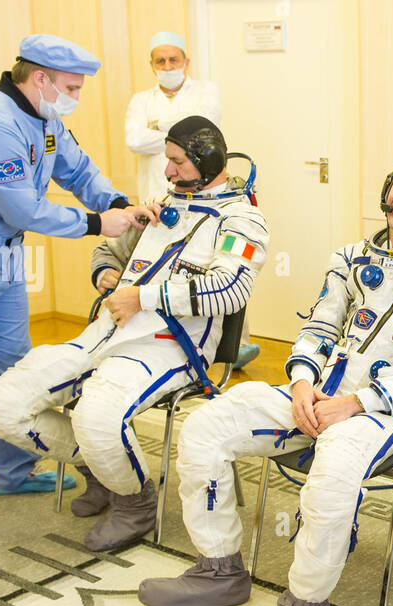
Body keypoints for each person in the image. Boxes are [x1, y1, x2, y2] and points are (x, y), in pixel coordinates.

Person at [137, 159, 393, 606]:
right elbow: (319, 329)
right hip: (321, 393)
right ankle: (219, 570)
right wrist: (301, 384)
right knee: (208, 425)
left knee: (333, 471)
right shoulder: (350, 257)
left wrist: (354, 404)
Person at [0, 34, 160, 548]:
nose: (75, 97)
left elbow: (77, 168)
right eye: (70, 87)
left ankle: (13, 473)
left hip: (0, 260)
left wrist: (118, 203)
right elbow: (21, 207)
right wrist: (97, 223)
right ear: (39, 77)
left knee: (11, 369)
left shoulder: (45, 118)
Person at [0, 117, 268, 551]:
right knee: (4, 406)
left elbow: (230, 289)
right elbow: (107, 247)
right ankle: (102, 469)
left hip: (172, 348)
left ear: (207, 160)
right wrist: (108, 271)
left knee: (95, 417)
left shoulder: (242, 221)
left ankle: (135, 502)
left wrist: (144, 298)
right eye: (167, 162)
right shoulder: (161, 205)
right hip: (105, 332)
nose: (168, 172)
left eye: (176, 162)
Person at [124, 32, 256, 370]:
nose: (168, 66)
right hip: (160, 200)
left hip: (206, 204)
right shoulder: (141, 99)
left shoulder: (239, 218)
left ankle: (228, 346)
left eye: (174, 59)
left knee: (209, 263)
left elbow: (202, 127)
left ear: (186, 61)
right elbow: (135, 140)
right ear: (151, 65)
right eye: (160, 61)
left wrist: (159, 129)